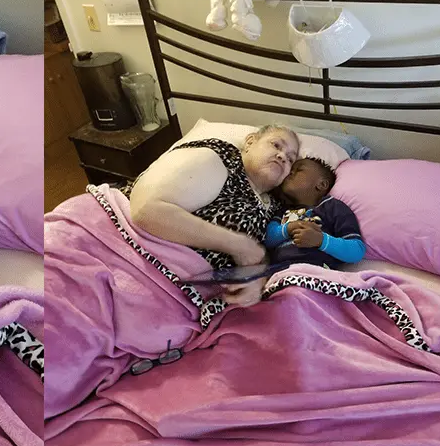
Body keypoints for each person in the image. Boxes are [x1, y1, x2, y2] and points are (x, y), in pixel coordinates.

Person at [128, 124, 300, 308]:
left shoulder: (275, 207)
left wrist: (257, 280)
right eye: (276, 145)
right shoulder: (223, 158)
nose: (282, 157)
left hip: (187, 296)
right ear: (250, 141)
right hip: (134, 261)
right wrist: (238, 245)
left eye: (290, 159)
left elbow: (261, 253)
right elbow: (146, 210)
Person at [264, 157, 366, 268]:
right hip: (279, 272)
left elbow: (357, 250)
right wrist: (288, 228)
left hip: (316, 272)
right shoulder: (283, 210)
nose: (290, 173)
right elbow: (267, 239)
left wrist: (321, 240)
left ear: (321, 184)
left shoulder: (333, 207)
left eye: (299, 169)